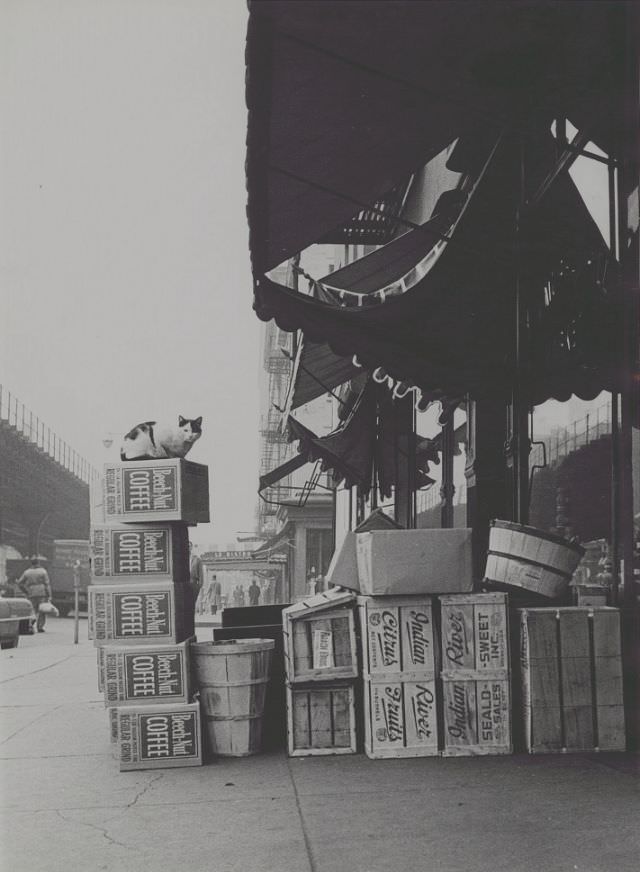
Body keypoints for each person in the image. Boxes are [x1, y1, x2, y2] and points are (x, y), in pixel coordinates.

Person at [17, 558, 52, 633]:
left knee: (32, 610)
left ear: (31, 563)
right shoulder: (43, 571)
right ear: (38, 563)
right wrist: (49, 594)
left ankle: (30, 625)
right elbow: (47, 584)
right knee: (42, 610)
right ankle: (40, 627)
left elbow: (19, 583)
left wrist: (25, 591)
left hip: (31, 592)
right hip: (42, 592)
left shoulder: (27, 572)